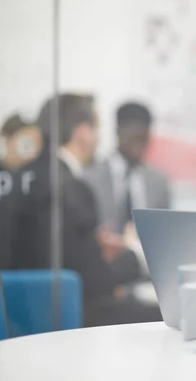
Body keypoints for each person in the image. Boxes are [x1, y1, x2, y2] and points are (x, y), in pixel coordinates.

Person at [8, 94, 159, 325]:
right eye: (96, 128)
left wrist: (93, 247)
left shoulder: (17, 178)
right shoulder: (73, 189)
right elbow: (98, 285)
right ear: (83, 132)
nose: (98, 139)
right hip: (67, 319)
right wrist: (134, 253)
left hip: (19, 318)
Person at [84, 102, 171, 236]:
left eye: (143, 137)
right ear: (118, 132)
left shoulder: (159, 182)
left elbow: (165, 233)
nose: (139, 143)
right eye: (133, 136)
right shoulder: (90, 179)